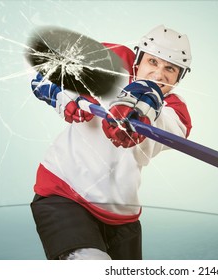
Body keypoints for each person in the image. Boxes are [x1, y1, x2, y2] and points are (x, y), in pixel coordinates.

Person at [30, 25, 192, 260]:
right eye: (153, 62)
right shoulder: (114, 60)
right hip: (63, 193)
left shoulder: (177, 112)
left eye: (170, 68)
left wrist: (138, 111)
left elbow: (159, 124)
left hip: (123, 216)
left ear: (180, 76)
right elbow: (48, 71)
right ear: (138, 59)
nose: (159, 74)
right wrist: (62, 90)